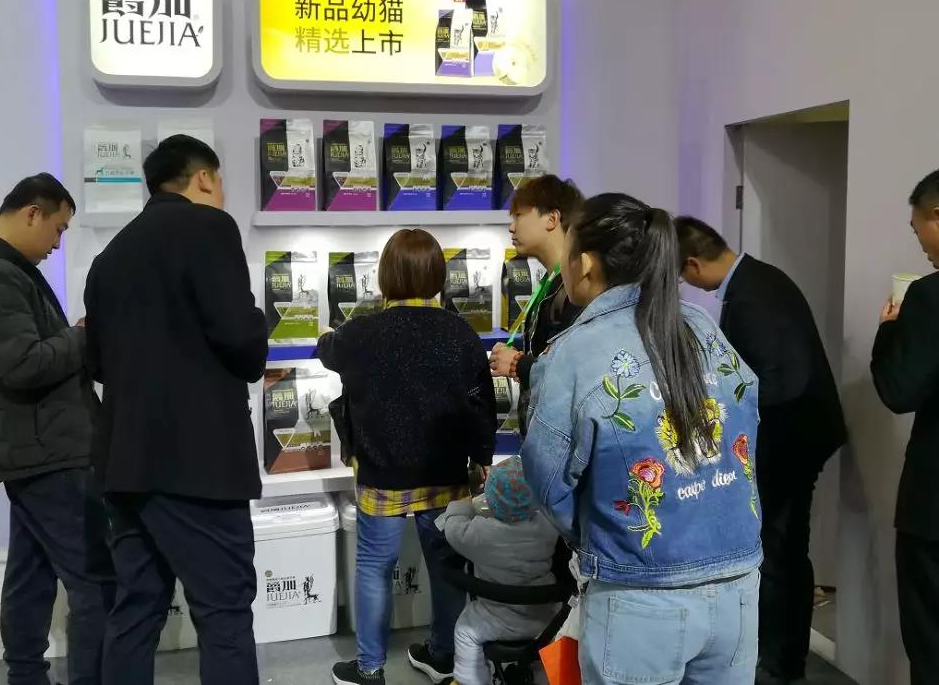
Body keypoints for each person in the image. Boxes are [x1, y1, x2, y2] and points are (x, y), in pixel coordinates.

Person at [522, 193, 763, 685]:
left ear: (585, 263)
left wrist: (603, 532)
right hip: (738, 586)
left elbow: (548, 481)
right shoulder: (703, 327)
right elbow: (744, 428)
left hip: (639, 594)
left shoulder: (574, 353)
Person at [84, 136, 268, 685]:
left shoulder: (109, 257)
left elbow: (97, 363)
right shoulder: (210, 228)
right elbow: (243, 342)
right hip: (198, 466)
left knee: (136, 609)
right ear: (204, 178)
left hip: (123, 463)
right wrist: (256, 324)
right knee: (224, 611)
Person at [0, 173, 111, 685]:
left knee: (31, 574)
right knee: (96, 581)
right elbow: (24, 364)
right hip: (46, 451)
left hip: (31, 448)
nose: (57, 244)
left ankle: (26, 675)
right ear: (32, 212)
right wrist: (81, 335)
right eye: (58, 228)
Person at [318, 228, 497, 685]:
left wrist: (324, 336)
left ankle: (369, 668)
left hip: (382, 473)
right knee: (446, 565)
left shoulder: (361, 333)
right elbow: (482, 403)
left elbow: (328, 351)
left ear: (386, 276)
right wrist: (483, 456)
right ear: (438, 276)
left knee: (374, 568)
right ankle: (443, 655)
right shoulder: (460, 333)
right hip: (445, 472)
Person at [676, 216, 847, 684]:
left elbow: (783, 381)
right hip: (799, 436)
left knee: (778, 552)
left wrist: (728, 417)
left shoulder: (751, 296)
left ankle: (779, 663)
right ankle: (781, 657)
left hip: (791, 440)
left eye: (683, 276)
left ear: (692, 264)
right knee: (784, 550)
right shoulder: (759, 278)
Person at [871, 168, 939, 685]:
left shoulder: (930, 296)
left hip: (934, 510)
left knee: (931, 640)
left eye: (919, 230)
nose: (921, 243)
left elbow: (900, 391)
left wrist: (888, 334)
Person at [435, 455, 559, 685]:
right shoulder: (547, 526)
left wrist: (466, 502)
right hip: (545, 615)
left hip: (497, 618)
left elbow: (452, 528)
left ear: (490, 498)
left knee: (465, 630)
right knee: (549, 643)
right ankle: (543, 677)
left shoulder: (480, 534)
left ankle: (469, 681)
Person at [489, 175, 584, 434]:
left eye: (519, 216)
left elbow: (570, 372)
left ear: (552, 219)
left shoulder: (575, 290)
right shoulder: (551, 282)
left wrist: (517, 363)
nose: (511, 227)